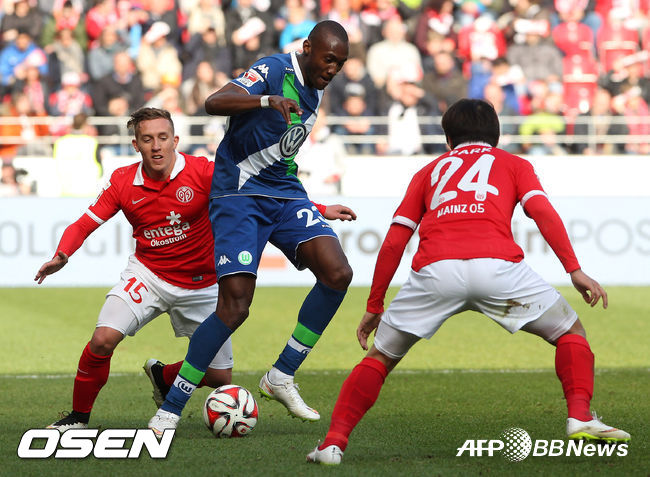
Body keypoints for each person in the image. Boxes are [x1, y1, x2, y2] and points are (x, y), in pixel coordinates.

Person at [306, 98, 631, 465]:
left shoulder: (428, 171)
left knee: (380, 357)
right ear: (497, 135)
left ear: (448, 139)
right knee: (570, 331)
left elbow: (395, 240)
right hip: (498, 268)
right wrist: (574, 269)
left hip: (436, 272)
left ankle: (332, 444)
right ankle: (580, 416)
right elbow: (541, 211)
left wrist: (374, 305)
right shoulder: (514, 164)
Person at [149, 20, 354, 436]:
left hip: (285, 194)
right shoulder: (274, 69)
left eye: (340, 63)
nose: (333, 69)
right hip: (239, 194)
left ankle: (281, 375)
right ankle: (170, 408)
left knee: (337, 273)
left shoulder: (316, 88)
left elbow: (280, 153)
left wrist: (317, 207)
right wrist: (264, 100)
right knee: (235, 307)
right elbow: (213, 102)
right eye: (328, 59)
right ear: (308, 48)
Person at [36, 107, 235, 431]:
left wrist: (315, 208)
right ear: (135, 145)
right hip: (149, 275)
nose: (156, 146)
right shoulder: (123, 181)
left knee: (218, 376)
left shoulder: (203, 172)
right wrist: (63, 254)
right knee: (102, 339)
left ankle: (164, 376)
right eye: (147, 139)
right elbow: (84, 224)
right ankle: (78, 418)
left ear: (175, 140)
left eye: (162, 138)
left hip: (203, 285)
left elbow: (258, 197)